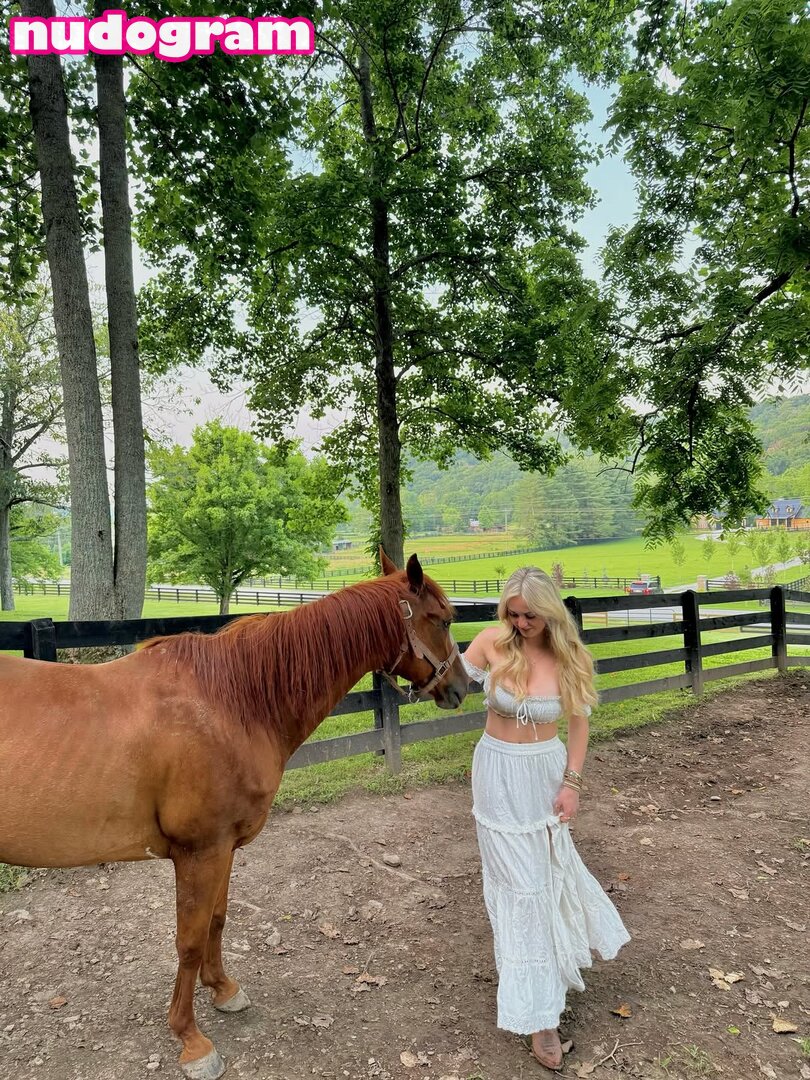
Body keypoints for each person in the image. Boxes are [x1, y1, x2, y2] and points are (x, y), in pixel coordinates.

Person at [461, 566, 630, 1071]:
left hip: (545, 776)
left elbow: (578, 725)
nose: (520, 623)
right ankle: (540, 1016)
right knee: (522, 888)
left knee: (546, 878)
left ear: (549, 611)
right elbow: (448, 684)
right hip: (496, 776)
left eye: (529, 615)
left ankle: (544, 981)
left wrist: (572, 784)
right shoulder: (491, 642)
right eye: (512, 613)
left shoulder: (570, 657)